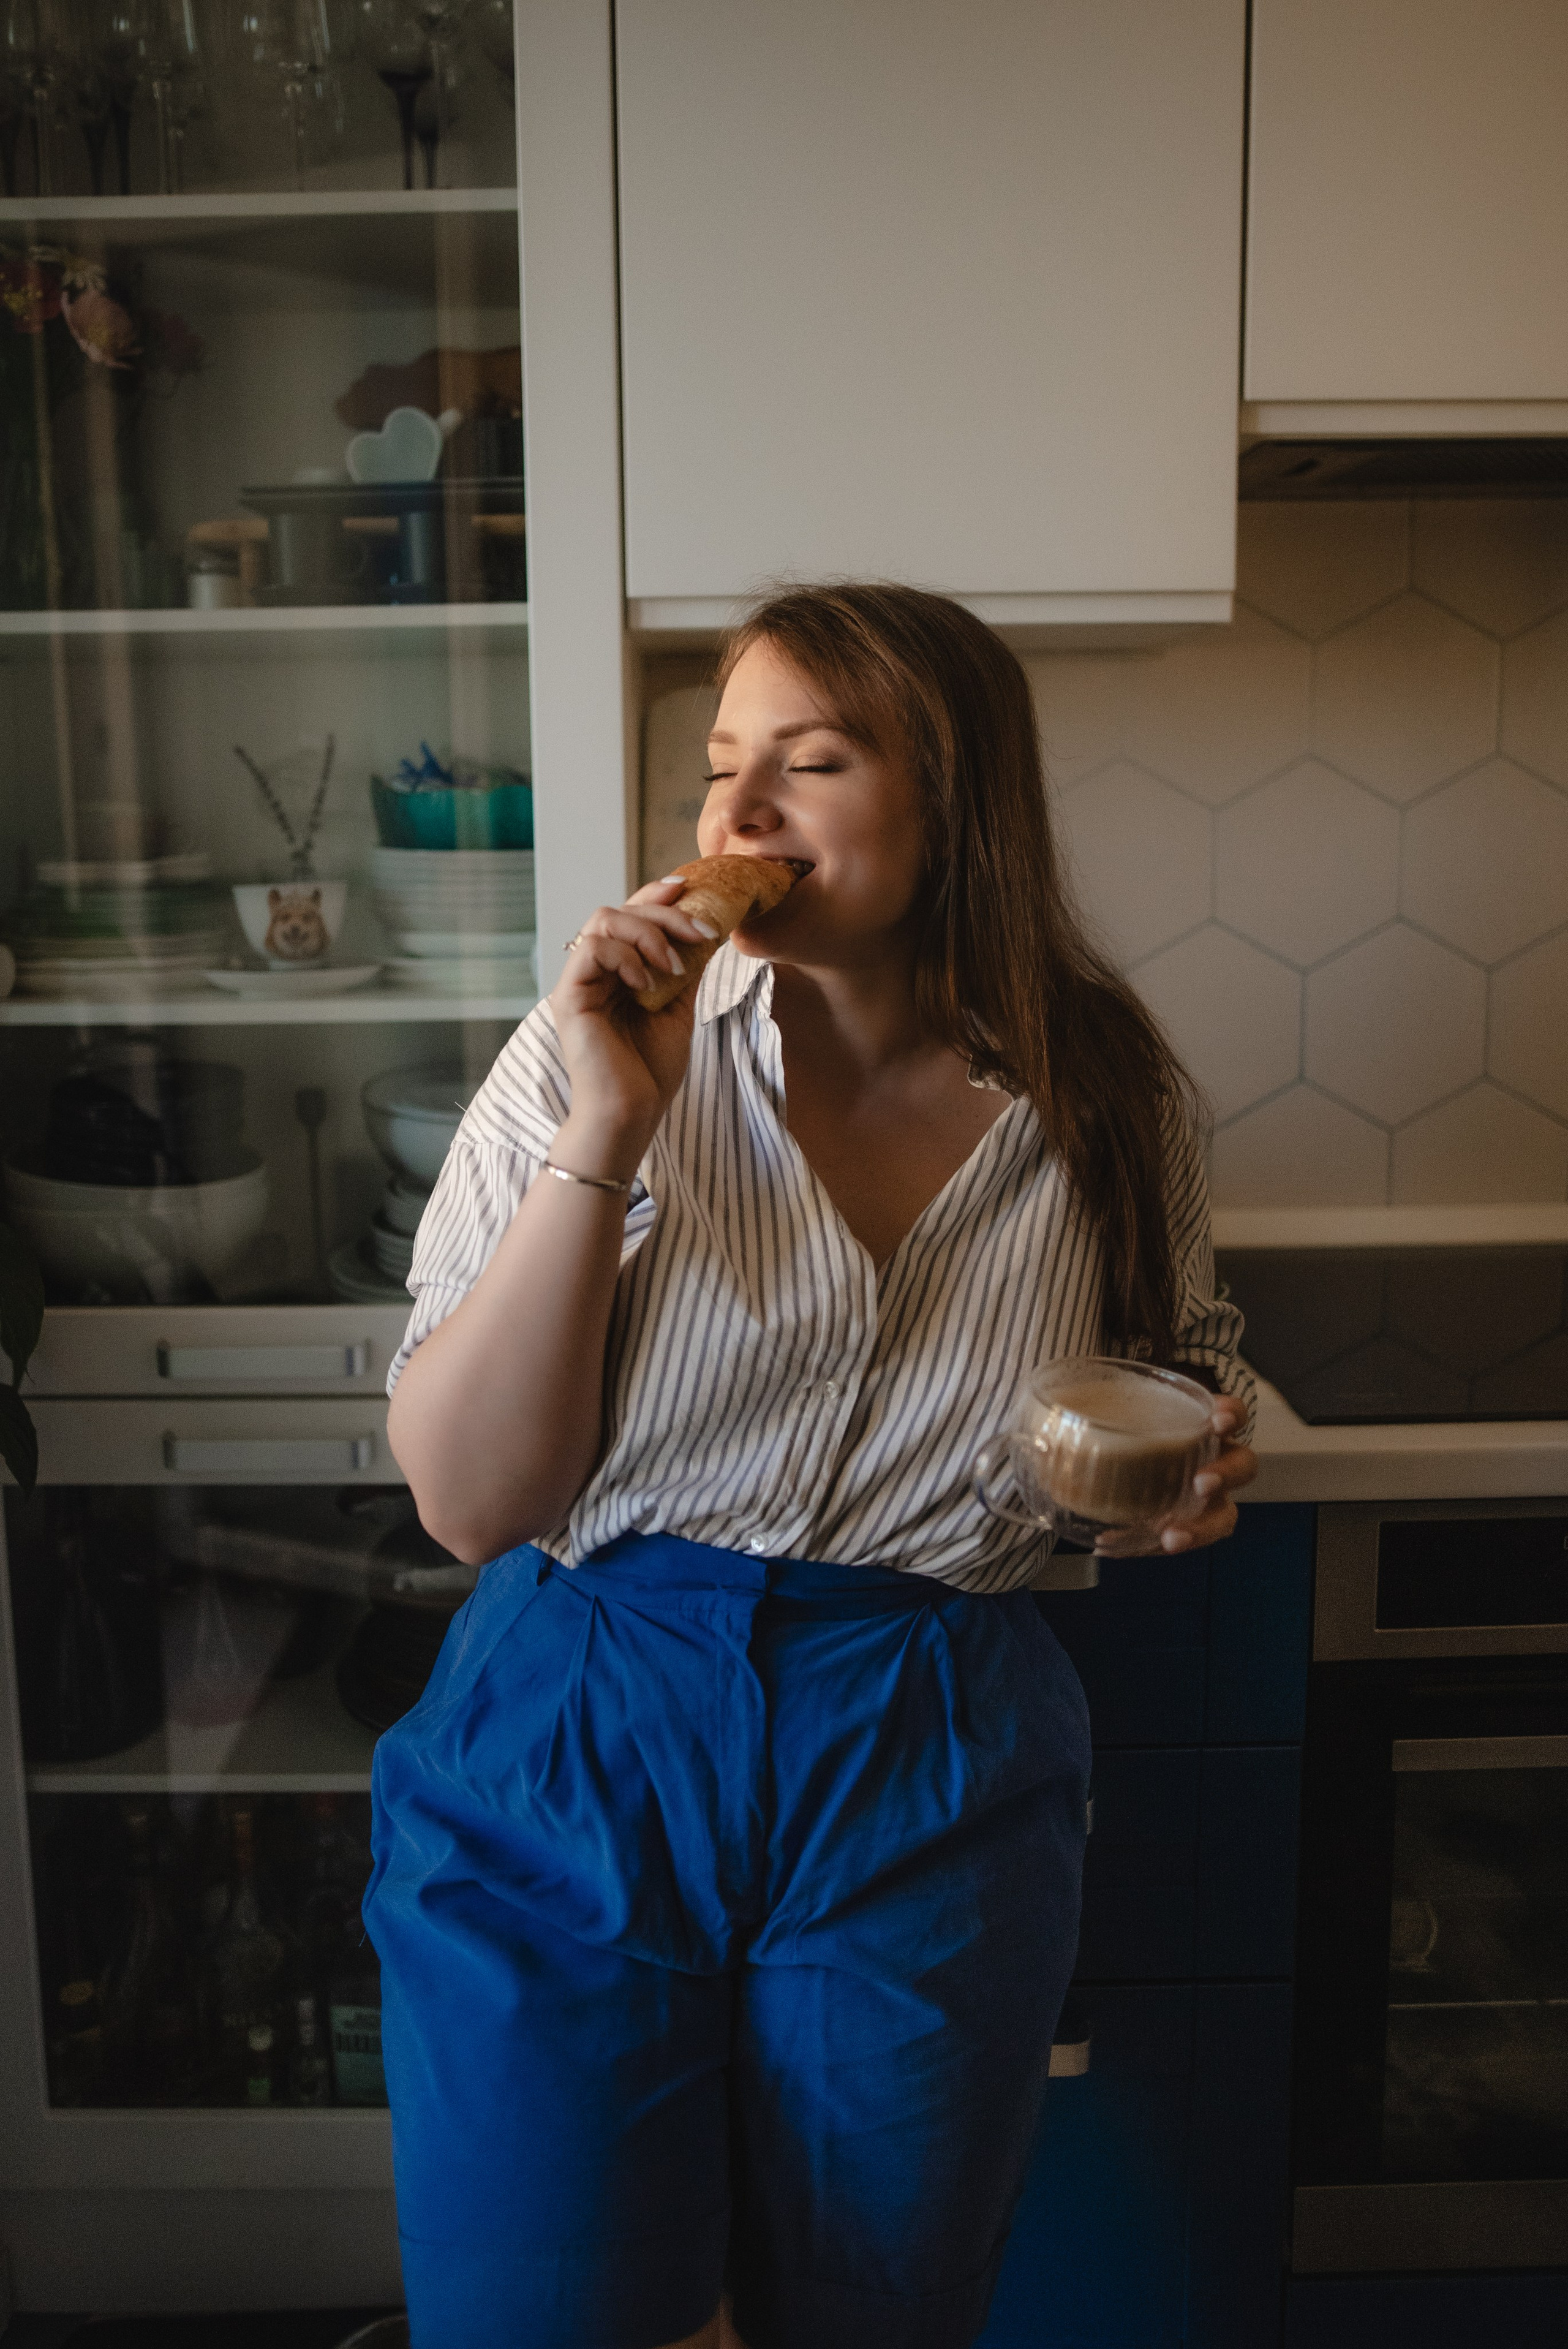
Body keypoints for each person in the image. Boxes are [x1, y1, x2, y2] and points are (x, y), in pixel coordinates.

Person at [365, 583, 1257, 2349]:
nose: (740, 814)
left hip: (931, 1745)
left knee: (868, 2314)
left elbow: (1181, 1366)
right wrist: (611, 1129)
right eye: (723, 767)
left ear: (958, 804)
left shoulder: (1110, 1094)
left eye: (814, 762)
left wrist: (1199, 1460)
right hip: (581, 1725)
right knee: (548, 2314)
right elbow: (471, 1503)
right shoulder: (584, 1051)